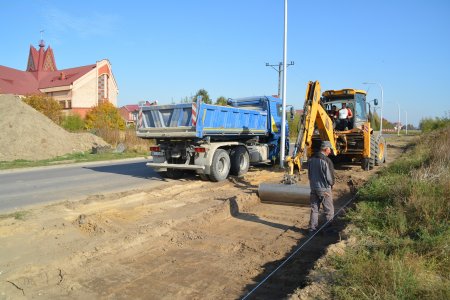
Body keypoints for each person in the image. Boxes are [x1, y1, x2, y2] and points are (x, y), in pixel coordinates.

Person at [307, 140, 335, 235]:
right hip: (324, 189)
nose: (330, 151)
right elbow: (330, 178)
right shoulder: (326, 161)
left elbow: (309, 175)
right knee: (328, 210)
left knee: (314, 209)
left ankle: (312, 229)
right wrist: (331, 185)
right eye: (329, 149)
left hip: (313, 188)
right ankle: (328, 230)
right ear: (326, 149)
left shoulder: (311, 159)